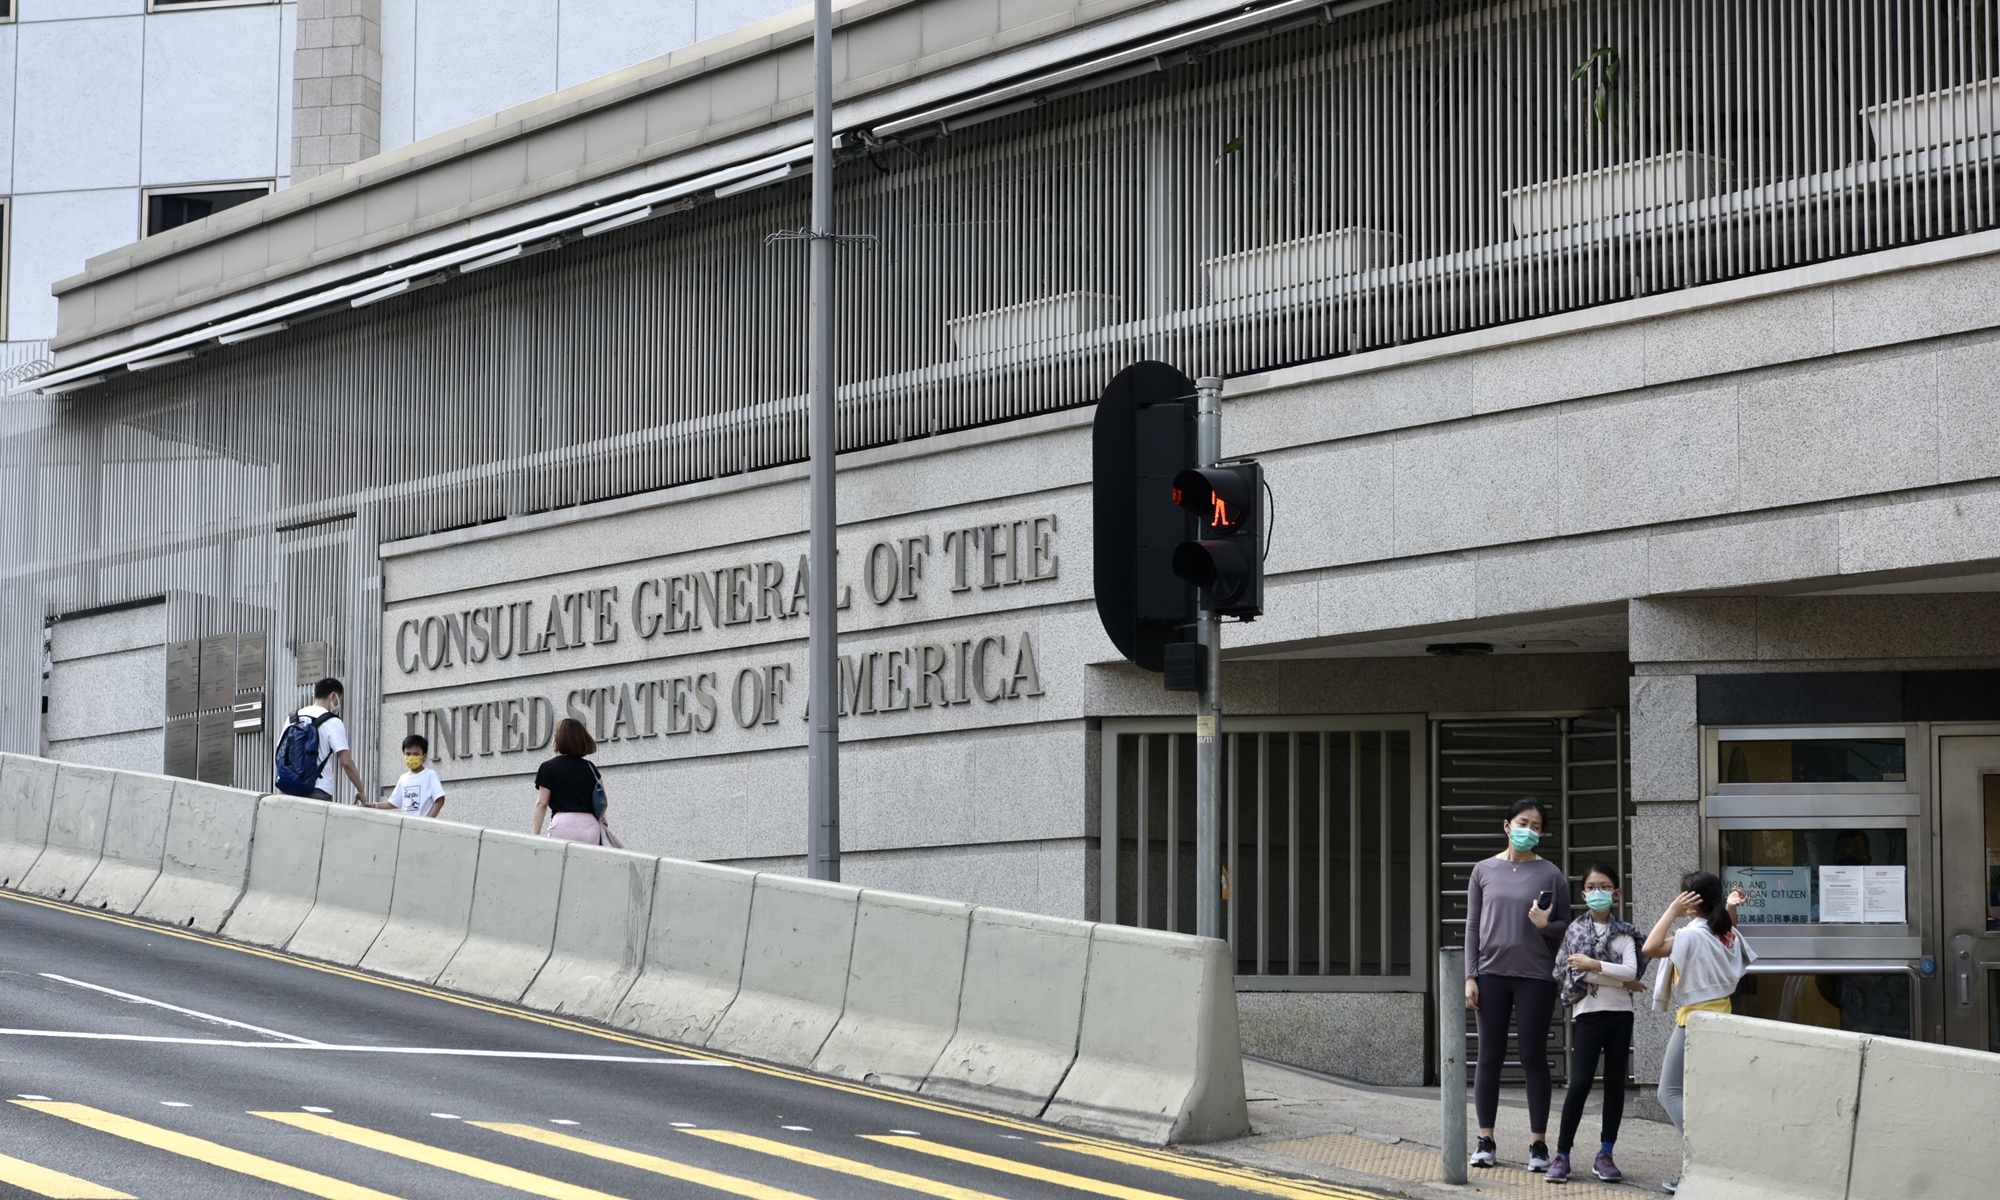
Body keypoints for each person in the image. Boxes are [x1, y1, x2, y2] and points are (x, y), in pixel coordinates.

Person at [1464, 798, 1571, 1172]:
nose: (1530, 830)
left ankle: (1538, 1144)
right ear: (1507, 824)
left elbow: (1566, 929)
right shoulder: (1483, 870)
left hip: (1536, 977)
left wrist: (1545, 925)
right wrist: (1470, 975)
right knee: (1488, 1057)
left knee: (1533, 1057)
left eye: (1537, 826)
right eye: (1523, 822)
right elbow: (1473, 927)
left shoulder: (1551, 874)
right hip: (1491, 975)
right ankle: (1485, 1139)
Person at [1642, 870, 1752, 1195]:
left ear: (1690, 903)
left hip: (1695, 1022)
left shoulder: (1690, 935)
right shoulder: (1725, 931)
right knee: (1700, 1096)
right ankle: (1699, 1167)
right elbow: (1725, 926)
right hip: (1722, 1018)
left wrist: (1671, 912)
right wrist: (1731, 906)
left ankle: (1708, 1159)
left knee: (1669, 1092)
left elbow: (1651, 947)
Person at [1547, 863, 1646, 1184]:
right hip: (1588, 1014)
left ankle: (1606, 1153)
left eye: (1605, 887)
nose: (1597, 892)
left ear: (1616, 893)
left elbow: (1631, 971)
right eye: (1591, 887)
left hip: (1621, 1016)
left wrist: (1594, 965)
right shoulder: (1574, 930)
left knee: (1615, 1084)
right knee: (1580, 1083)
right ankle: (1561, 1155)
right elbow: (1572, 972)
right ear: (1583, 892)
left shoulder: (1626, 933)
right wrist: (1616, 979)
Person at [532, 718, 620, 846]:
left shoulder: (548, 767)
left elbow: (542, 803)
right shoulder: (590, 768)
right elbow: (603, 802)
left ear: (559, 739)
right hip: (589, 827)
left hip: (562, 825)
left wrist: (535, 835)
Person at [285, 678, 364, 803]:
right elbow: (346, 762)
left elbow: (283, 753)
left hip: (291, 789)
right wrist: (361, 790)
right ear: (333, 696)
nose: (338, 704)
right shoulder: (333, 721)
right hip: (318, 790)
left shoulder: (294, 717)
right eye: (340, 700)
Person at [358, 734, 445, 818]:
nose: (411, 757)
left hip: (425, 829)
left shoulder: (430, 775)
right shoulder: (403, 778)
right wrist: (373, 806)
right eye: (408, 754)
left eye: (416, 754)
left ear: (424, 756)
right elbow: (393, 802)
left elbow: (440, 800)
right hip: (407, 827)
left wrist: (428, 821)